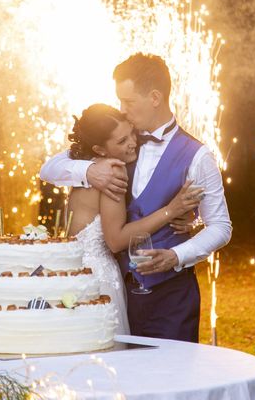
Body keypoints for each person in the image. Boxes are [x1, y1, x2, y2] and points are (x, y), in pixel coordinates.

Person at [40, 53, 232, 342]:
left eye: (128, 102)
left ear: (154, 97)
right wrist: (91, 171)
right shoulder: (119, 142)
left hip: (171, 299)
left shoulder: (198, 156)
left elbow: (220, 227)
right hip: (120, 293)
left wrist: (176, 256)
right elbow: (49, 168)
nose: (122, 109)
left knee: (169, 380)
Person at [62, 103, 204, 335]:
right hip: (101, 276)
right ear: (100, 149)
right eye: (121, 141)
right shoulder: (113, 171)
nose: (132, 143)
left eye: (131, 134)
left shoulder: (85, 168)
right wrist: (171, 209)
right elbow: (116, 241)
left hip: (74, 272)